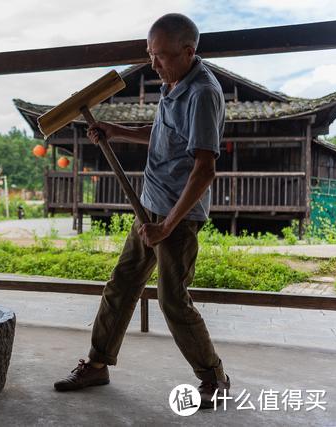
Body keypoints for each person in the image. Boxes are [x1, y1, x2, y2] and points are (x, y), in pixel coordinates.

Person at [53, 13, 230, 408]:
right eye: (150, 54)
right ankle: (97, 364)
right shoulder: (172, 84)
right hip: (149, 207)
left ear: (189, 51)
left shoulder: (202, 93)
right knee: (121, 284)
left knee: (172, 299)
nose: (153, 64)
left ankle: (214, 377)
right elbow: (163, 134)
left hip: (177, 219)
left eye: (161, 56)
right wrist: (118, 132)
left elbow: (205, 168)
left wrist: (167, 226)